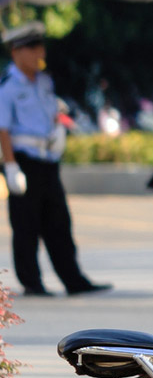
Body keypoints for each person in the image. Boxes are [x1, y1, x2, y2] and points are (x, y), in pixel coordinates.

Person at [0, 22, 109, 297]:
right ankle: (32, 282)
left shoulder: (44, 81)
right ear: (17, 51)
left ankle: (73, 279)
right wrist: (10, 166)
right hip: (24, 160)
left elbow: (51, 113)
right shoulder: (8, 86)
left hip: (48, 159)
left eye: (41, 46)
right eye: (34, 47)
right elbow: (3, 128)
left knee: (59, 221)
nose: (41, 52)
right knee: (26, 224)